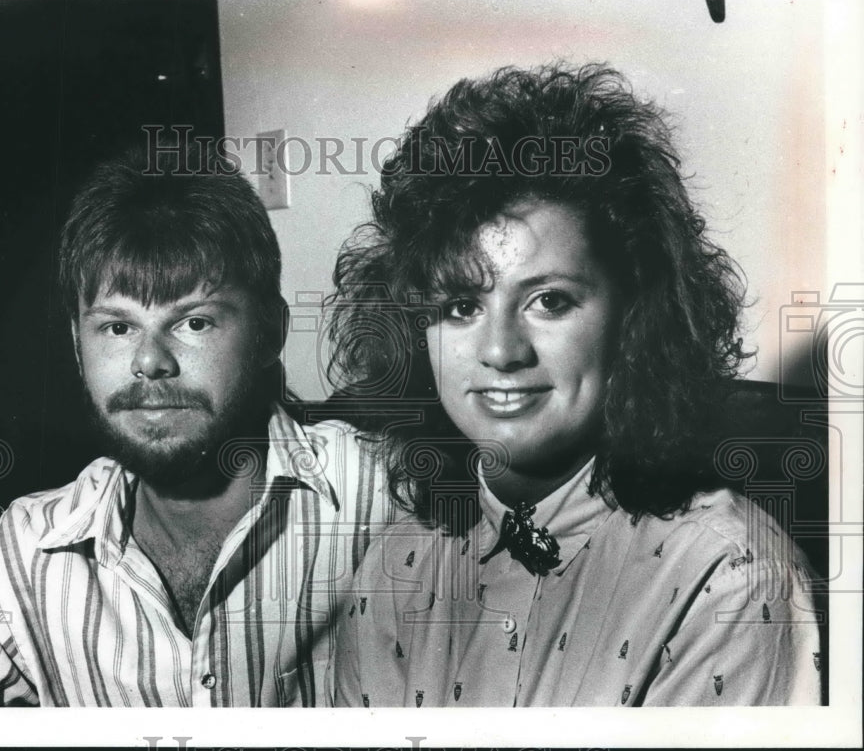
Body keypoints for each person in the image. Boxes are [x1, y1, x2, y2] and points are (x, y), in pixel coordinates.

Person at [326, 63, 823, 707]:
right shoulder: (393, 566)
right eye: (460, 306)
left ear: (635, 316)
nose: (501, 351)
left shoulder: (732, 580)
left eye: (550, 301)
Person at [0, 142, 396, 706]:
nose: (149, 361)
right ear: (76, 343)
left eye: (193, 321)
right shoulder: (23, 556)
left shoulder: (385, 495)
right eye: (117, 328)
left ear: (270, 334)